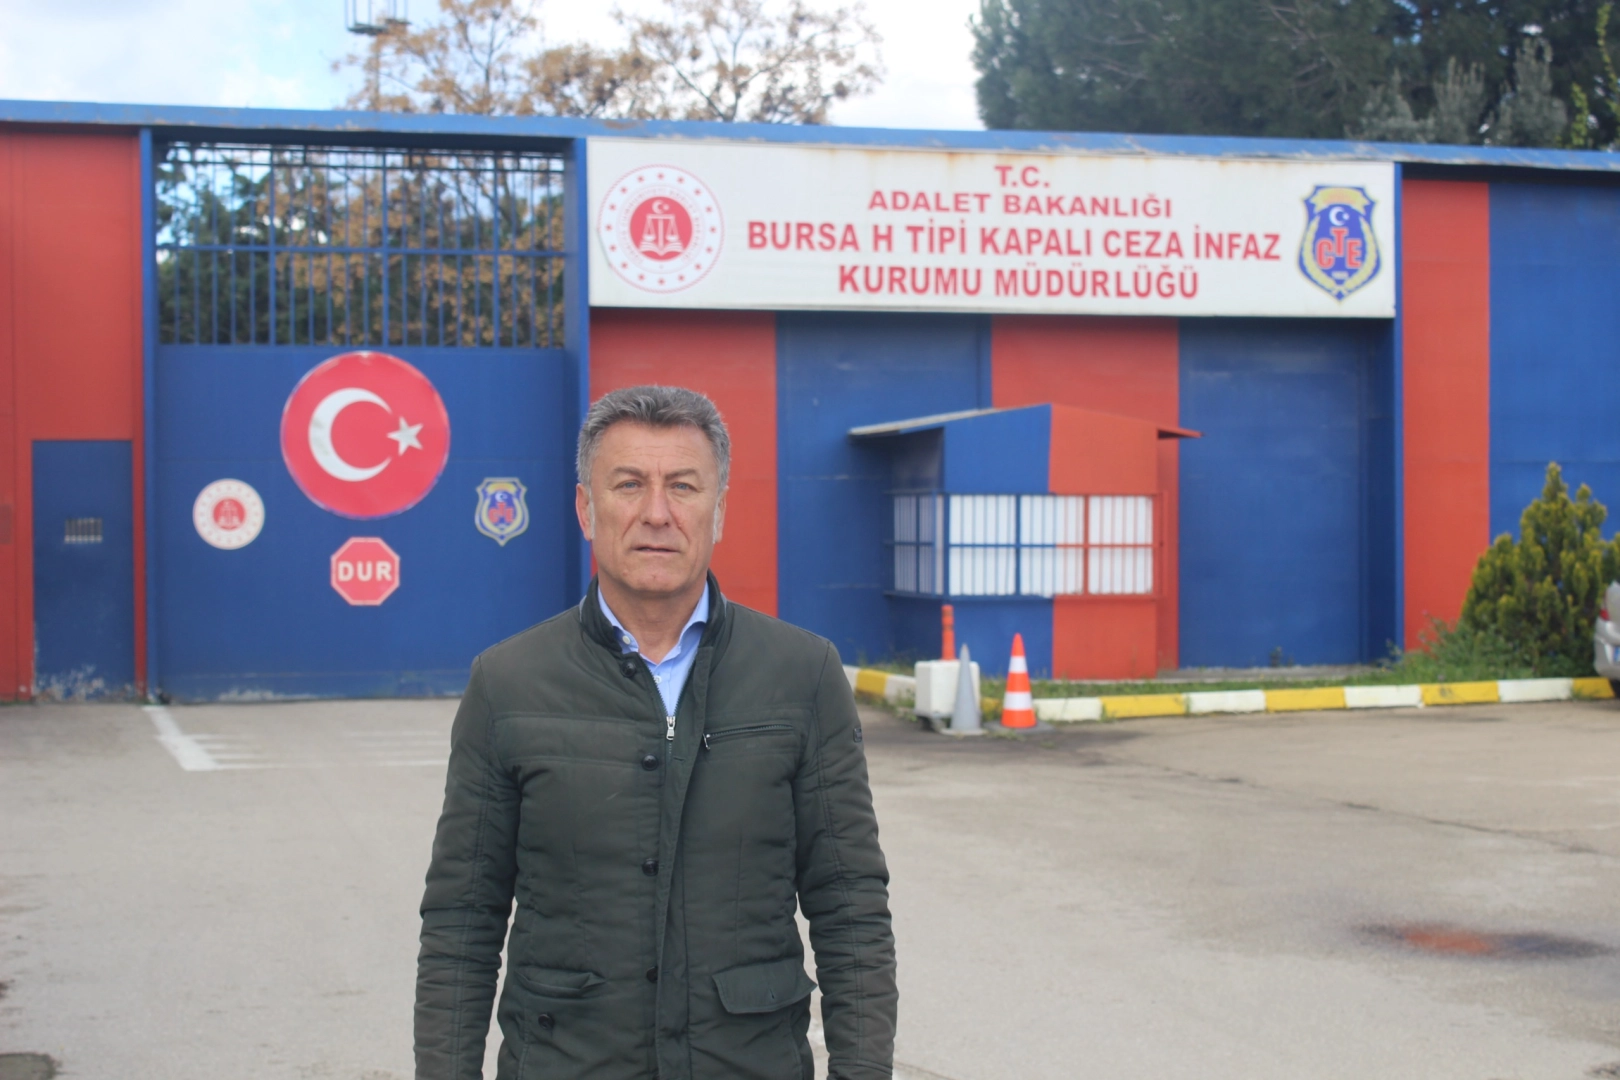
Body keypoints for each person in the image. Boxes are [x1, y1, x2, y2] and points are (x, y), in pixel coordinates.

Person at [414, 385, 897, 1079]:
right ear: (587, 508)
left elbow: (851, 907)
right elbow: (462, 920)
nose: (657, 513)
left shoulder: (802, 674)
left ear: (718, 510)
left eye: (683, 486)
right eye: (629, 484)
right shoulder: (508, 684)